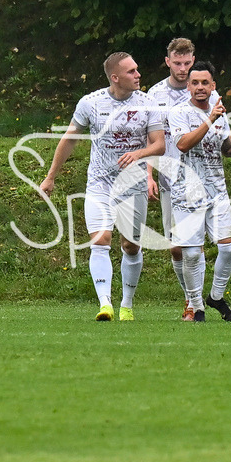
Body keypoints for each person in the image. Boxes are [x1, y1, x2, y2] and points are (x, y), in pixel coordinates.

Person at [40, 52, 165, 321]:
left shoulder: (148, 103)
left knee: (130, 245)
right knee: (100, 240)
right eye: (131, 71)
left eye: (137, 69)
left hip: (133, 184)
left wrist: (139, 154)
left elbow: (159, 144)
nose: (138, 75)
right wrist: (51, 176)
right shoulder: (91, 103)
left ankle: (127, 305)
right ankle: (105, 304)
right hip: (100, 182)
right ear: (115, 77)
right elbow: (70, 139)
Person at [169, 61, 231, 321]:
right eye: (194, 83)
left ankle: (216, 297)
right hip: (186, 191)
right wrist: (209, 120)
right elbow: (183, 144)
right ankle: (196, 306)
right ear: (188, 86)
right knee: (193, 254)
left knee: (229, 248)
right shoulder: (179, 113)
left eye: (204, 83)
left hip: (217, 190)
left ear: (213, 86)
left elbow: (226, 147)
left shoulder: (218, 113)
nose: (199, 87)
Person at [145, 37, 206, 321]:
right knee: (176, 246)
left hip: (201, 179)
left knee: (196, 244)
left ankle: (196, 304)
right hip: (170, 179)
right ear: (167, 61)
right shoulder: (155, 94)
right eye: (177, 63)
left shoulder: (203, 90)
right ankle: (189, 298)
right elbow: (149, 136)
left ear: (193, 60)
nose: (182, 68)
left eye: (187, 62)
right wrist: (148, 174)